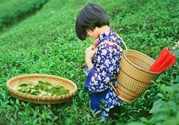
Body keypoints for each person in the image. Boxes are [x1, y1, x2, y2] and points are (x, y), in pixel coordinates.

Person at [75, 3, 123, 120]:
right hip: (116, 93)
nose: (89, 36)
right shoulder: (113, 37)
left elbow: (99, 83)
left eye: (87, 33)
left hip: (109, 102)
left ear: (90, 27)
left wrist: (88, 60)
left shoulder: (106, 48)